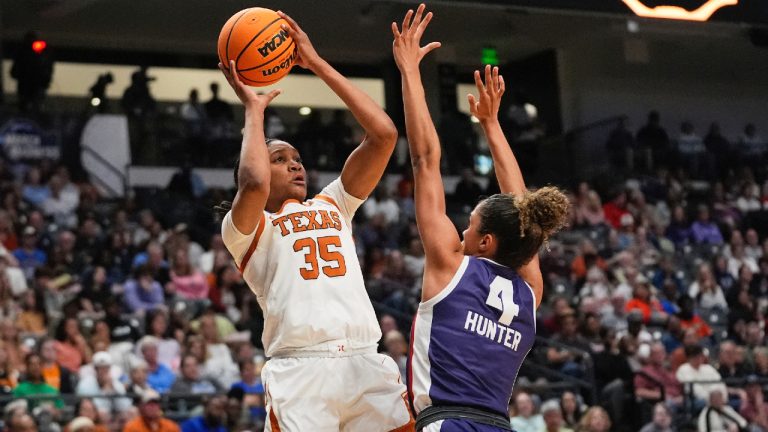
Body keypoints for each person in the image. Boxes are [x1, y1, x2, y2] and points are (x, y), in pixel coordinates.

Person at [218, 8, 412, 431]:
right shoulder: (247, 229)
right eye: (280, 159)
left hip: (365, 361)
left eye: (297, 159)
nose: (295, 165)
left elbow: (383, 135)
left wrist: (317, 64)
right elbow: (252, 184)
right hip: (300, 369)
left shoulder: (332, 204)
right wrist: (253, 109)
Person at [393, 5, 568, 431]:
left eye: (470, 224)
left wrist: (410, 72)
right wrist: (490, 125)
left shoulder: (450, 267)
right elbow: (521, 209)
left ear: (486, 241)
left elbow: (424, 160)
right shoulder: (530, 290)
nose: (463, 229)